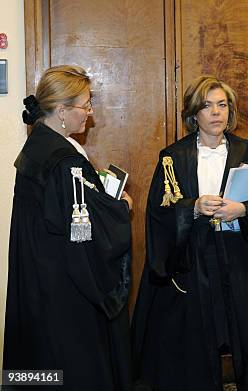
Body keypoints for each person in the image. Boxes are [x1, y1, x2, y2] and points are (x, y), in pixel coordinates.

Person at [131, 75, 248, 391]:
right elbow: (159, 212)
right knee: (198, 341)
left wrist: (242, 210)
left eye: (222, 105)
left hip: (238, 258)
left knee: (244, 335)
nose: (216, 113)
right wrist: (194, 206)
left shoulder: (246, 150)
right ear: (194, 114)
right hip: (195, 261)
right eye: (207, 106)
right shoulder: (173, 156)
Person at [3, 65, 133, 390]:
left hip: (38, 274)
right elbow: (85, 229)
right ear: (62, 110)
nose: (90, 114)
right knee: (73, 366)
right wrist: (120, 207)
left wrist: (97, 193)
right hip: (65, 285)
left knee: (41, 365)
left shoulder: (39, 147)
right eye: (86, 105)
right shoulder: (65, 160)